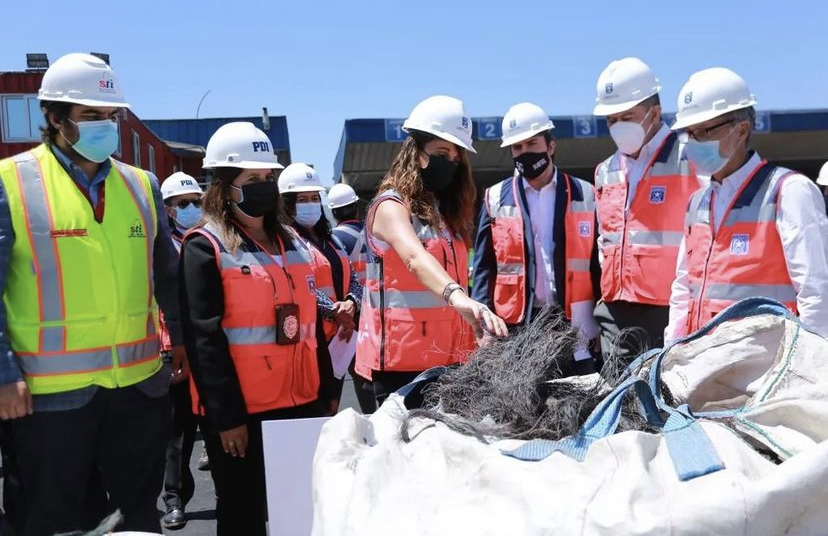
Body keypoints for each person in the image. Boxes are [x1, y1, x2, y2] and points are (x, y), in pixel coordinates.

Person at [0, 52, 182, 536]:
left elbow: (167, 277)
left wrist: (179, 343)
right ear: (55, 118)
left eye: (111, 116)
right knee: (52, 520)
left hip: (139, 388)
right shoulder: (10, 182)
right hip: (48, 398)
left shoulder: (142, 185)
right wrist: (3, 375)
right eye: (92, 116)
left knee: (135, 520)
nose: (107, 126)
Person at [179, 122, 326, 536]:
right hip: (242, 415)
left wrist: (325, 394)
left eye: (268, 178)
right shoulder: (204, 246)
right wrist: (226, 418)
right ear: (224, 186)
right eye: (252, 179)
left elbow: (309, 324)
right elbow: (203, 339)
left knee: (298, 513)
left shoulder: (294, 242)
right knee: (243, 515)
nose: (264, 186)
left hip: (301, 403)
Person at [354, 95, 508, 406]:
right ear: (416, 151)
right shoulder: (390, 206)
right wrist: (459, 297)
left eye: (455, 156)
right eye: (441, 152)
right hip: (398, 367)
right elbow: (415, 258)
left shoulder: (444, 216)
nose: (450, 162)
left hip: (448, 362)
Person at [665, 68, 828, 340]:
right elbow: (684, 287)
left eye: (703, 132)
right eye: (688, 133)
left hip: (766, 368)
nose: (693, 143)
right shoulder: (698, 202)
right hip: (701, 361)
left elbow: (816, 292)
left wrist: (813, 367)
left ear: (741, 130)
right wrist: (671, 347)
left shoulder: (788, 192)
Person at [471, 102, 600, 374]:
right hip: (517, 324)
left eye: (532, 143)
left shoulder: (585, 194)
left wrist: (600, 321)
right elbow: (484, 268)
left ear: (550, 146)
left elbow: (596, 264)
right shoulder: (494, 198)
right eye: (517, 147)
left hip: (573, 322)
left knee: (578, 398)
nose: (525, 152)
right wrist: (484, 324)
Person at [591, 57, 701, 363]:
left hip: (669, 308)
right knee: (619, 400)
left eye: (627, 116)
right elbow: (606, 240)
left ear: (654, 112)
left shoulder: (690, 158)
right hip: (615, 309)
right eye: (611, 120)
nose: (618, 127)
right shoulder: (605, 170)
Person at [278, 163, 361, 414]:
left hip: (339, 338)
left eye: (315, 197)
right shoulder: (284, 240)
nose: (311, 203)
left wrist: (351, 302)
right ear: (287, 204)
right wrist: (334, 311)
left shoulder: (331, 238)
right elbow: (297, 284)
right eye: (302, 199)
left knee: (332, 408)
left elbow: (353, 276)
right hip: (311, 342)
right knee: (316, 411)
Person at [159, 172, 204, 530]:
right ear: (169, 209)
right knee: (178, 433)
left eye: (196, 202)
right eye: (183, 203)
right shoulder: (161, 250)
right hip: (177, 351)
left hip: (212, 349)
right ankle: (174, 499)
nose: (191, 208)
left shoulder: (211, 241)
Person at [327, 183, 376, 413]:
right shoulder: (376, 232)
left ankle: (369, 415)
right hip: (379, 309)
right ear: (356, 208)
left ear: (333, 212)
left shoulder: (333, 240)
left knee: (357, 370)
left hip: (352, 313)